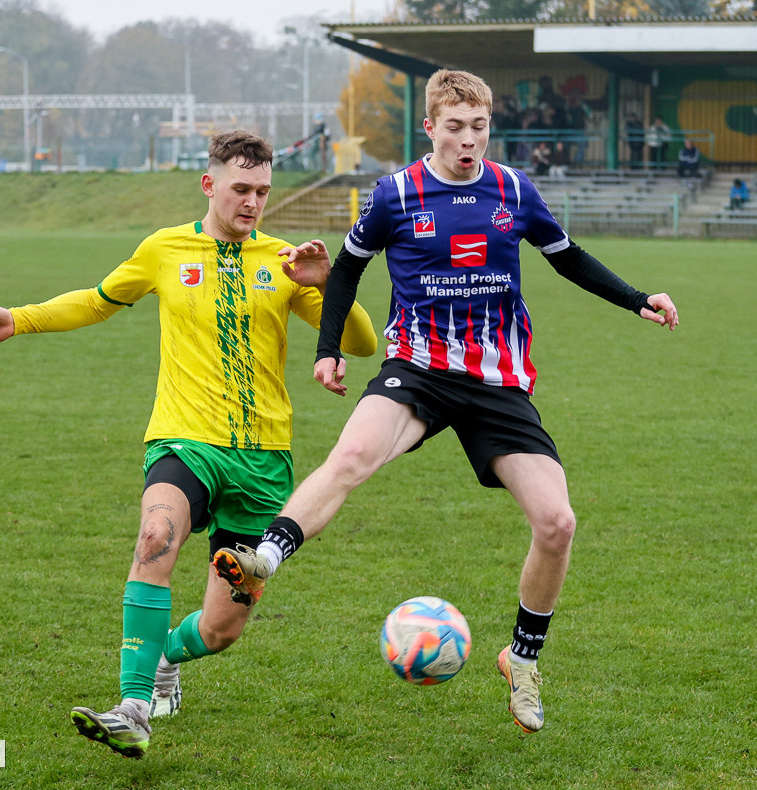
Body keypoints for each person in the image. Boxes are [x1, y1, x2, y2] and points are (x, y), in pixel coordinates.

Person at [213, 70, 679, 736]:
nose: (468, 140)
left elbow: (566, 256)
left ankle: (522, 660)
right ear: (429, 127)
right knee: (352, 455)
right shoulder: (394, 194)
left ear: (490, 127)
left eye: (480, 127)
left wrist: (639, 298)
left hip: (497, 383)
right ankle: (265, 556)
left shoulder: (514, 190)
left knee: (558, 523)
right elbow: (346, 266)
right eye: (455, 127)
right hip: (419, 370)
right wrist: (328, 347)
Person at [0, 131, 377, 759]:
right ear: (209, 184)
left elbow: (362, 343)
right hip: (184, 440)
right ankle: (133, 707)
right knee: (155, 539)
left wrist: (328, 284)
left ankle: (165, 657)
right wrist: (19, 318)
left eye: (263, 191)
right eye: (241, 189)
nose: (252, 203)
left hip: (263, 460)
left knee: (220, 630)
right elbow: (98, 302)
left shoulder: (286, 260)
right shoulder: (165, 248)